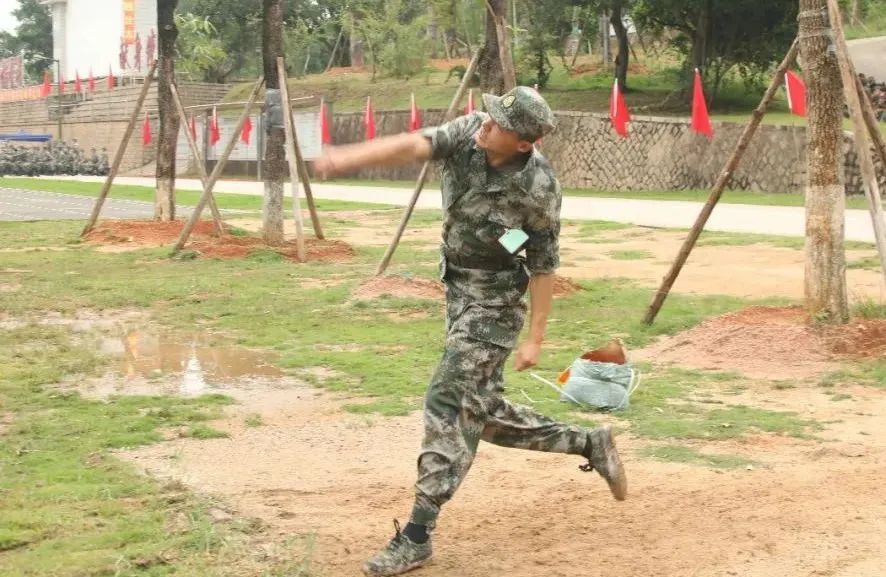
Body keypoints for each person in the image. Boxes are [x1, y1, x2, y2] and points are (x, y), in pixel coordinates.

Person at [314, 86, 627, 577]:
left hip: (497, 303)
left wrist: (536, 338)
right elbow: (414, 144)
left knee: (446, 399)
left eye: (498, 121)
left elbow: (543, 264)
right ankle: (588, 443)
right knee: (480, 412)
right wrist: (350, 156)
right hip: (458, 289)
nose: (485, 122)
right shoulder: (470, 133)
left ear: (523, 142)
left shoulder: (538, 189)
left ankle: (417, 535)